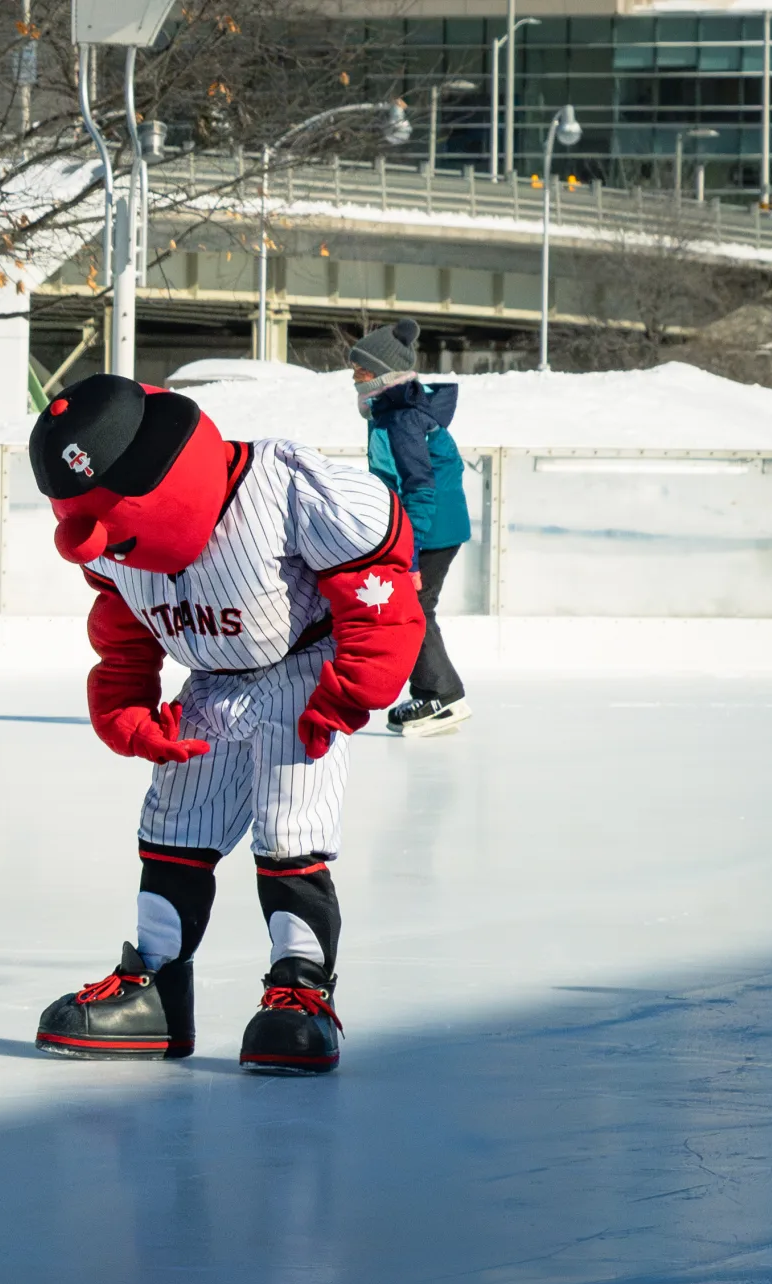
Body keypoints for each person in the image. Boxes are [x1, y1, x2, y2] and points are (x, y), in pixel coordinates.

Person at [28, 375, 423, 1073]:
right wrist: (125, 711)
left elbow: (377, 583)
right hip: (209, 684)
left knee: (289, 834)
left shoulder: (281, 487)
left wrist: (352, 688)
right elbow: (123, 635)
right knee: (174, 829)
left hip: (305, 674)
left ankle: (301, 991)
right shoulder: (117, 560)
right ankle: (156, 989)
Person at [348, 318, 473, 737]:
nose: (353, 378)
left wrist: (411, 554)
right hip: (435, 527)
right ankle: (437, 692)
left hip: (430, 530)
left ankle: (441, 696)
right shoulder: (391, 411)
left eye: (360, 371)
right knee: (417, 609)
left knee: (416, 609)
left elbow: (420, 489)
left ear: (381, 373)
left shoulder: (402, 417)